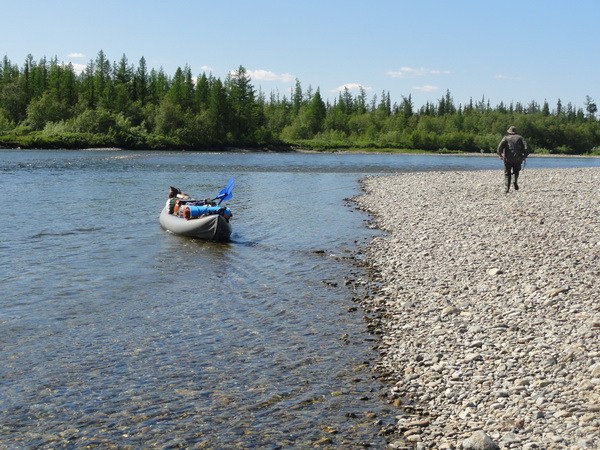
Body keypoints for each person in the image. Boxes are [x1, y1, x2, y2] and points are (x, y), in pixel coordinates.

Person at [497, 126, 529, 193]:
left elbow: (499, 147)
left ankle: (507, 188)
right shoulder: (520, 138)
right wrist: (524, 156)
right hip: (518, 158)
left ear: (509, 132)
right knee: (516, 171)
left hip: (507, 158)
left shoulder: (506, 138)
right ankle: (514, 181)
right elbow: (526, 148)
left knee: (507, 173)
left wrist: (500, 154)